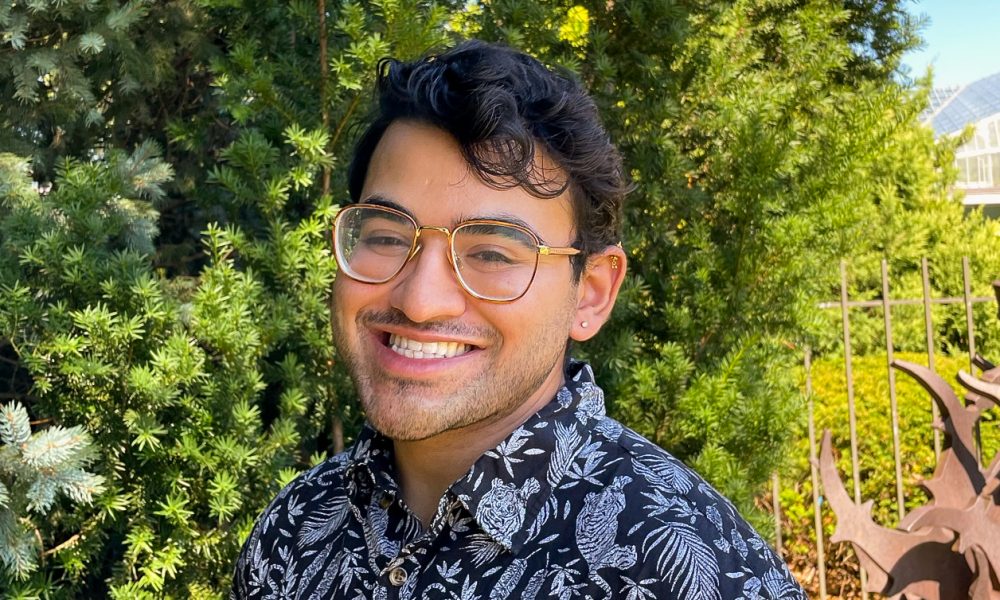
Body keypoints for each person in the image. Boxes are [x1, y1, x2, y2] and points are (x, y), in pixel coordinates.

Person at [230, 40, 805, 600]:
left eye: (492, 253)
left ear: (591, 295)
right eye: (386, 236)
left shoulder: (684, 569)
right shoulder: (294, 529)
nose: (420, 301)